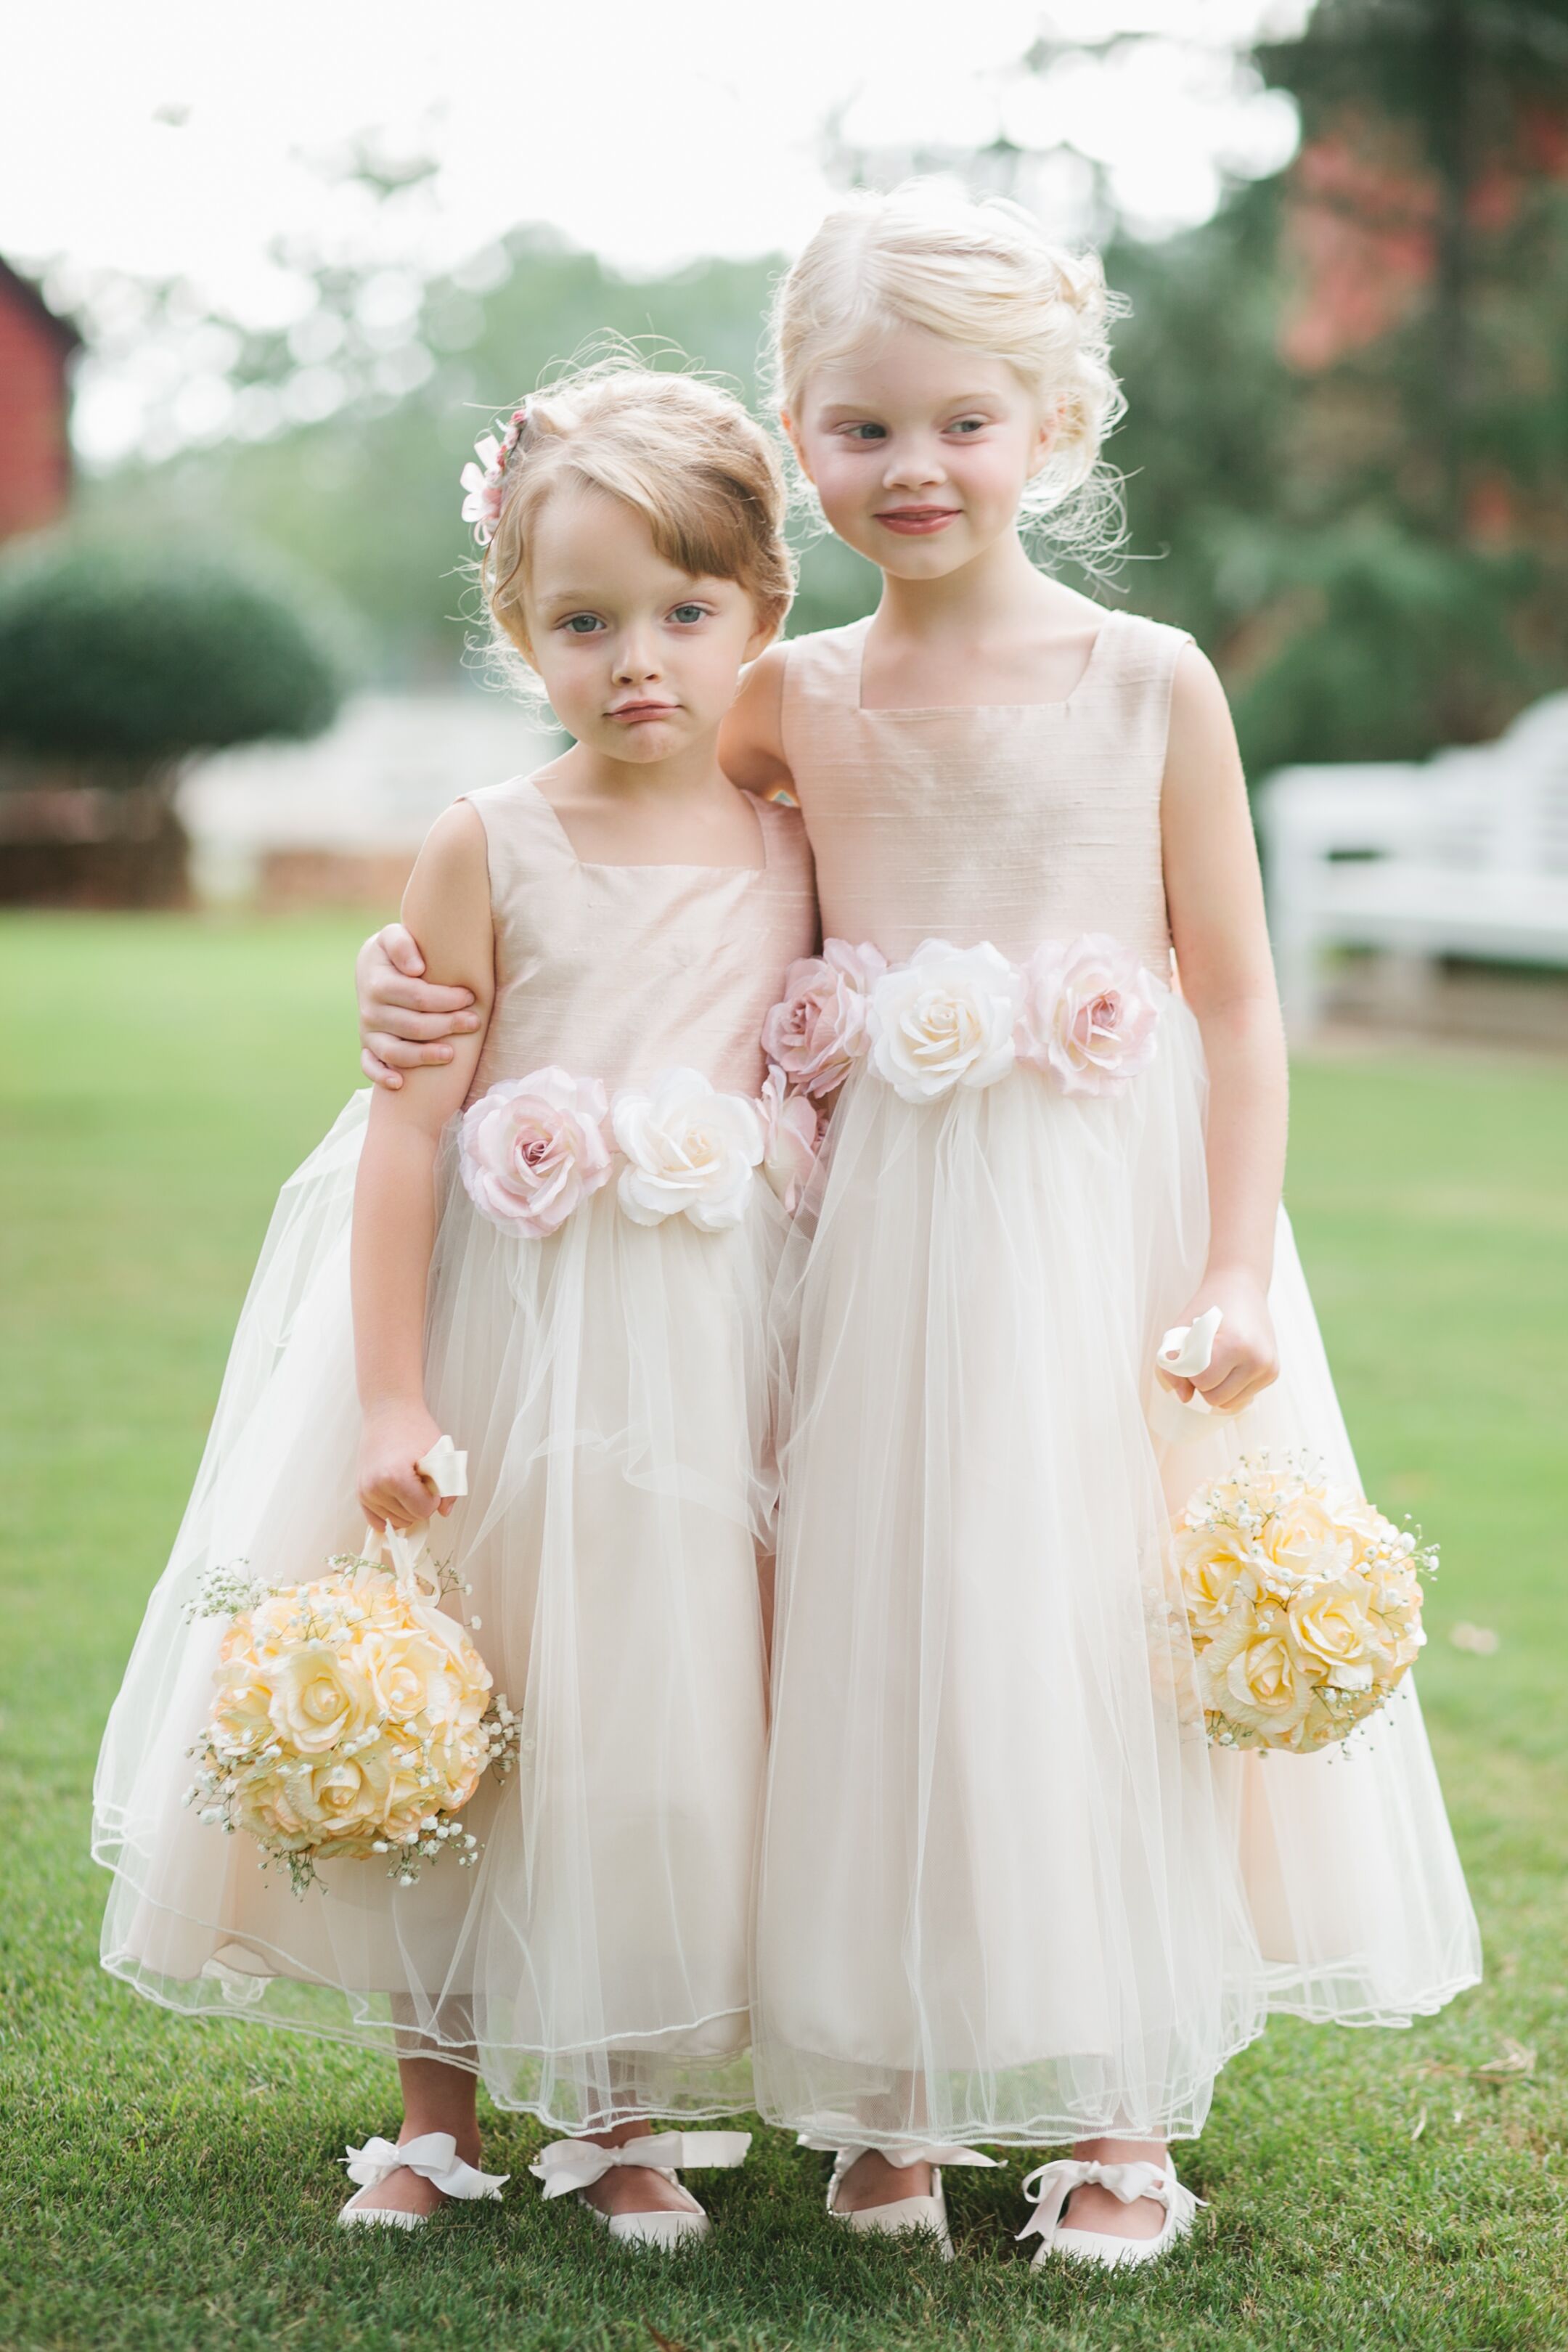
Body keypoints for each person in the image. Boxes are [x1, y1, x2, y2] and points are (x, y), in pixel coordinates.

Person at [354, 184, 1481, 2271]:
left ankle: (1112, 2111)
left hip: (1106, 1236)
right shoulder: (784, 695)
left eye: (964, 420)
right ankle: (890, 2101)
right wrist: (408, 982)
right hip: (866, 1249)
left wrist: (1234, 1263)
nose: (916, 467)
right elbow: (622, 862)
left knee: (1084, 1627)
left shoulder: (1152, 685)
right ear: (800, 438)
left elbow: (1238, 1000)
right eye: (862, 426)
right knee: (878, 1624)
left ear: (1054, 421)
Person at [93, 362, 817, 2246]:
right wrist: (396, 1398)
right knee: (462, 1704)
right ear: (518, 631)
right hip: (499, 1331)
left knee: (660, 1719)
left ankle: (627, 2104)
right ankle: (436, 2109)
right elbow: (407, 1137)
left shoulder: (791, 831)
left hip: (705, 1346)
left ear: (763, 616)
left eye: (686, 611)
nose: (639, 659)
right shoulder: (486, 840)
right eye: (584, 622)